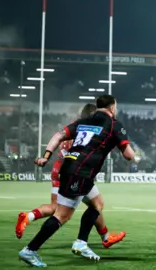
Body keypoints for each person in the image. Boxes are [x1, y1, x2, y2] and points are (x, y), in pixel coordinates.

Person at [19, 95, 136, 267]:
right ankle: (30, 250)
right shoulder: (114, 125)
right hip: (81, 171)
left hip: (69, 167)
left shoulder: (84, 121)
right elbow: (129, 156)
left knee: (97, 204)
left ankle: (82, 241)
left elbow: (58, 136)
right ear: (112, 107)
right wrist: (124, 144)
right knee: (62, 216)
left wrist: (46, 157)